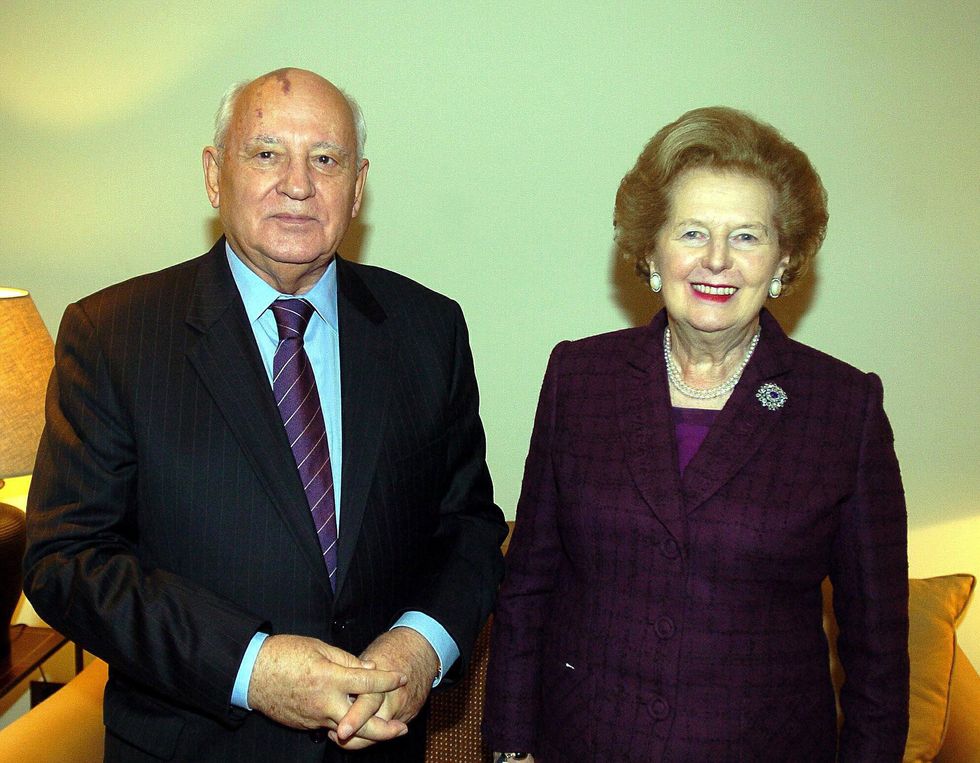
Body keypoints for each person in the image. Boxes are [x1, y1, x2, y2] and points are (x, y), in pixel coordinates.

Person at [24, 67, 506, 762]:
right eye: (266, 153)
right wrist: (250, 667)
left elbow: (467, 526)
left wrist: (422, 645)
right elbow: (66, 560)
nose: (299, 184)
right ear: (215, 175)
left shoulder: (428, 329)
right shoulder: (114, 336)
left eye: (326, 159)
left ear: (359, 185)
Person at [484, 106, 909, 761]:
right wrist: (510, 748)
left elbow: (877, 654)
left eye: (746, 236)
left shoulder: (844, 409)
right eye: (692, 232)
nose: (716, 260)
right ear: (652, 248)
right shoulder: (580, 375)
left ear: (784, 258)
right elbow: (527, 589)